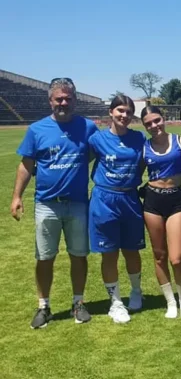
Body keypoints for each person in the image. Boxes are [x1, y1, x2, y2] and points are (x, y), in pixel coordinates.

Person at [11, 78, 98, 329]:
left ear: (75, 100)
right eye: (59, 98)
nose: (64, 102)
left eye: (68, 98)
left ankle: (78, 303)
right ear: (50, 101)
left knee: (78, 255)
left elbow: (97, 153)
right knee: (45, 257)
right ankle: (44, 306)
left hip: (78, 203)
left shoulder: (88, 127)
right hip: (46, 204)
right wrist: (17, 196)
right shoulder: (37, 129)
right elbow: (26, 165)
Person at [88, 95, 146, 324]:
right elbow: (82, 161)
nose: (124, 115)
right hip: (105, 199)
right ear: (111, 112)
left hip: (130, 198)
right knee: (109, 253)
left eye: (128, 112)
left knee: (132, 250)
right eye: (120, 110)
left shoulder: (138, 138)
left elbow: (145, 162)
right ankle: (116, 302)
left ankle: (136, 291)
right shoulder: (97, 140)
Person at [141, 106, 181, 319]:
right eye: (149, 124)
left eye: (157, 120)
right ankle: (170, 302)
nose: (154, 126)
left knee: (177, 258)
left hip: (175, 200)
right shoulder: (144, 148)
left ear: (164, 119)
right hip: (152, 201)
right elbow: (135, 174)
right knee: (159, 256)